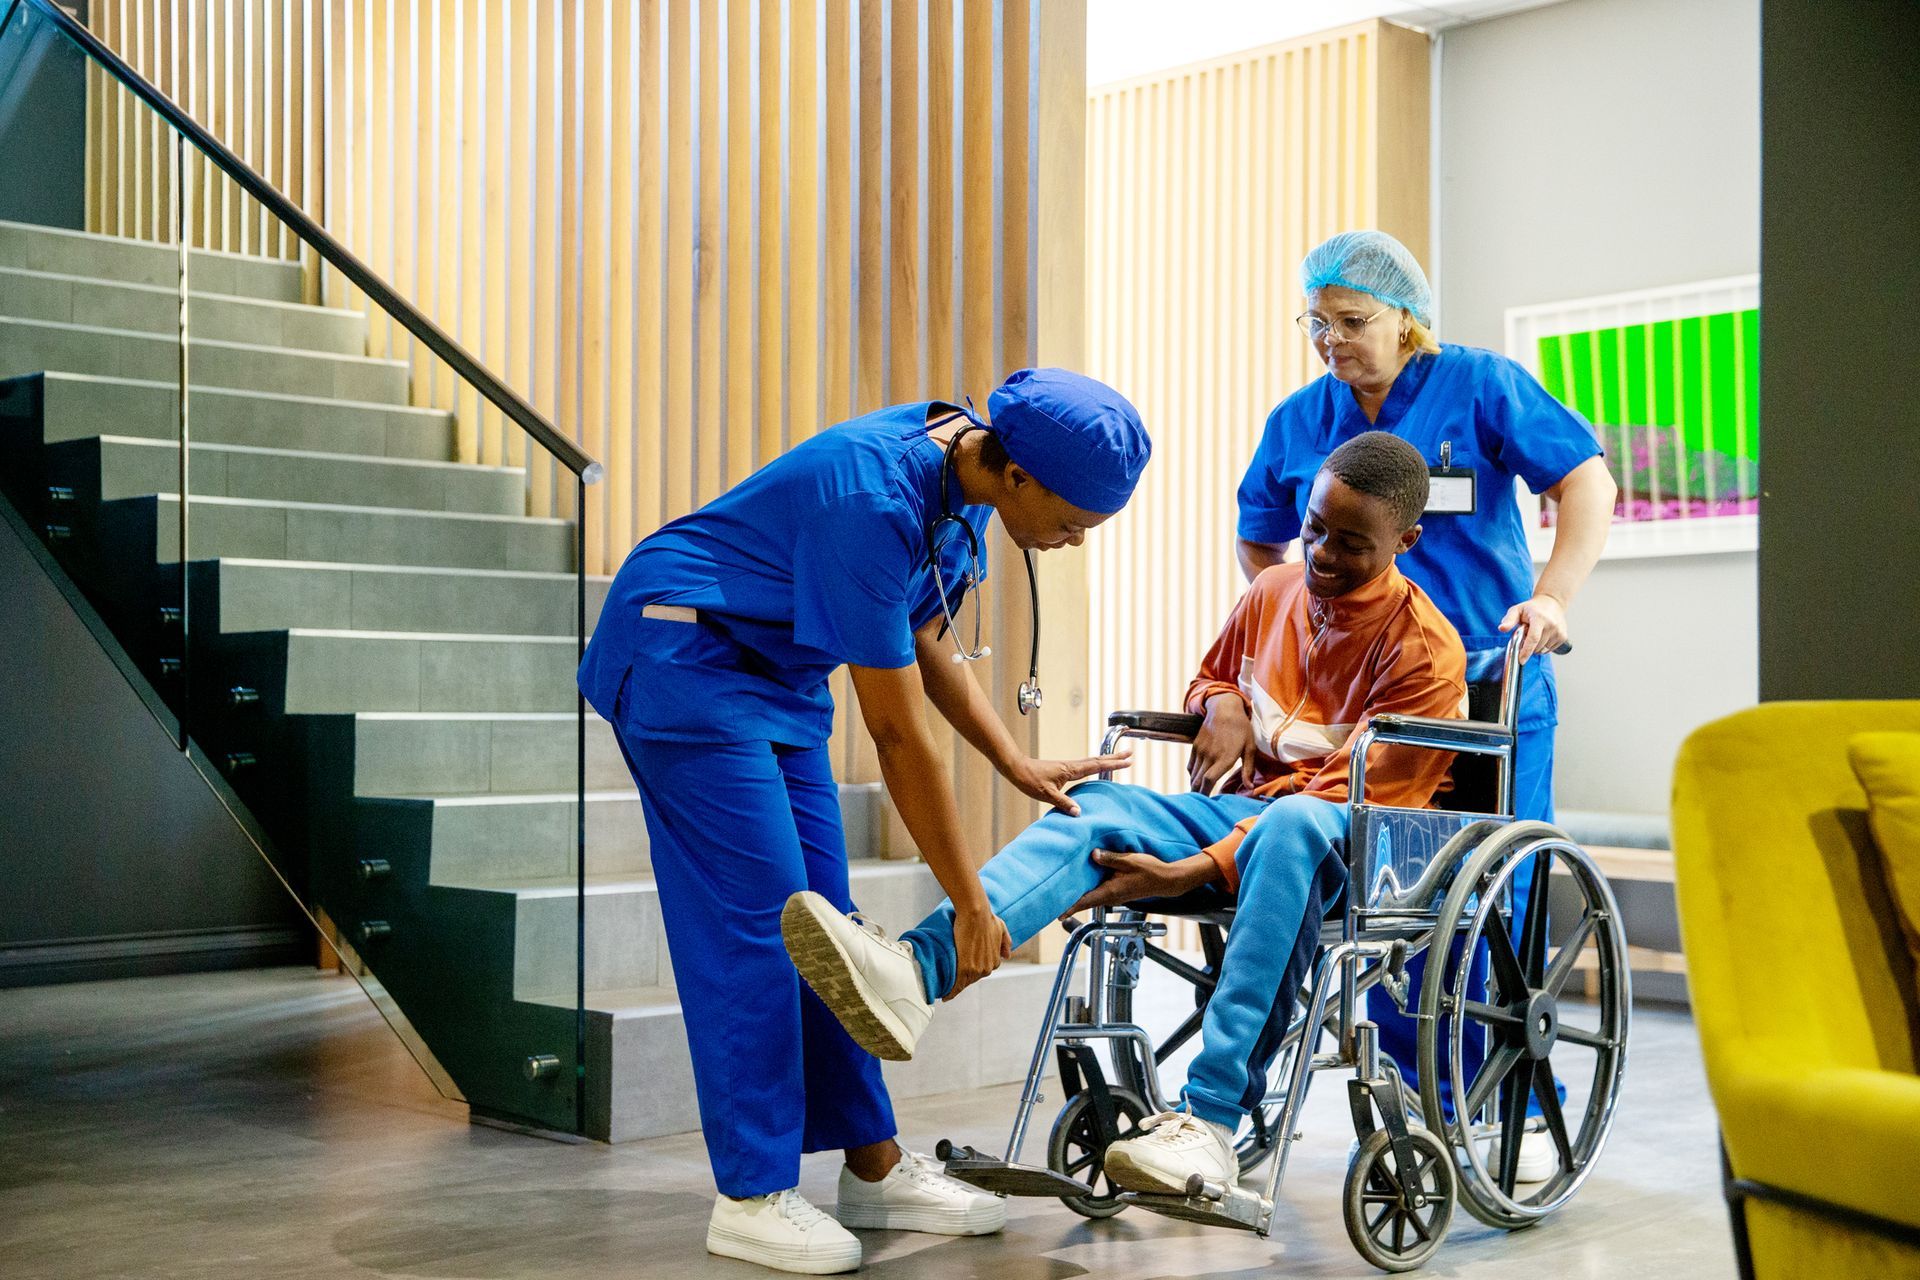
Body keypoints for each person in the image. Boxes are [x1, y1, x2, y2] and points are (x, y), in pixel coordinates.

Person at [782, 431, 1466, 1196]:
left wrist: (1197, 871)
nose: (1322, 554)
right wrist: (1225, 703)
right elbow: (1211, 678)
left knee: (1292, 825)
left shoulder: (1425, 652)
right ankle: (917, 971)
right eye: (1313, 528)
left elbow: (1354, 801)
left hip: (1353, 839)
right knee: (1100, 803)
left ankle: (1207, 1122)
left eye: (1351, 544)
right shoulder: (1273, 591)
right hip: (1253, 814)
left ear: (1406, 540)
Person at [577, 368, 1149, 1276]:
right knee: (761, 931)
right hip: (682, 648)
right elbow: (896, 735)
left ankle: (873, 1169)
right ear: (1019, 476)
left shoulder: (962, 481)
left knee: (830, 933)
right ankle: (753, 1194)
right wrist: (968, 903)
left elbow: (926, 639)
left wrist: (1014, 760)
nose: (1073, 543)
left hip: (777, 673)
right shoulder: (870, 497)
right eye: (1073, 523)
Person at [1236, 229, 1616, 1176]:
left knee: (1495, 894)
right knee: (1390, 896)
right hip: (1365, 704)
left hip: (1489, 688)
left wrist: (1554, 598)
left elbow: (1587, 480)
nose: (1333, 340)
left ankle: (1516, 1099)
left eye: (1353, 321)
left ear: (1408, 317)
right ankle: (1419, 1103)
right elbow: (1259, 538)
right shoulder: (1299, 418)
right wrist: (1296, 620)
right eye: (1317, 323)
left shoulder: (1480, 386)